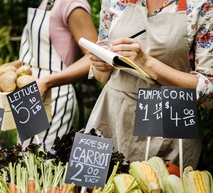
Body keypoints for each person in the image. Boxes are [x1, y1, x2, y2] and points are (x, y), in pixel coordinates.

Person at [85, 0, 213, 168]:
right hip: (111, 117)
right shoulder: (113, 2)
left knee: (158, 189)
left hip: (168, 123)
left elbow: (209, 89)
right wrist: (100, 63)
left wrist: (147, 63)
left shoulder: (200, 5)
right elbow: (102, 76)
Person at [0, 0, 98, 149]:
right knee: (24, 157)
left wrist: (47, 82)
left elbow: (94, 57)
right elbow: (36, 58)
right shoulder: (47, 2)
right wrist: (6, 68)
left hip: (53, 96)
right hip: (28, 93)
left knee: (43, 161)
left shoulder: (73, 4)